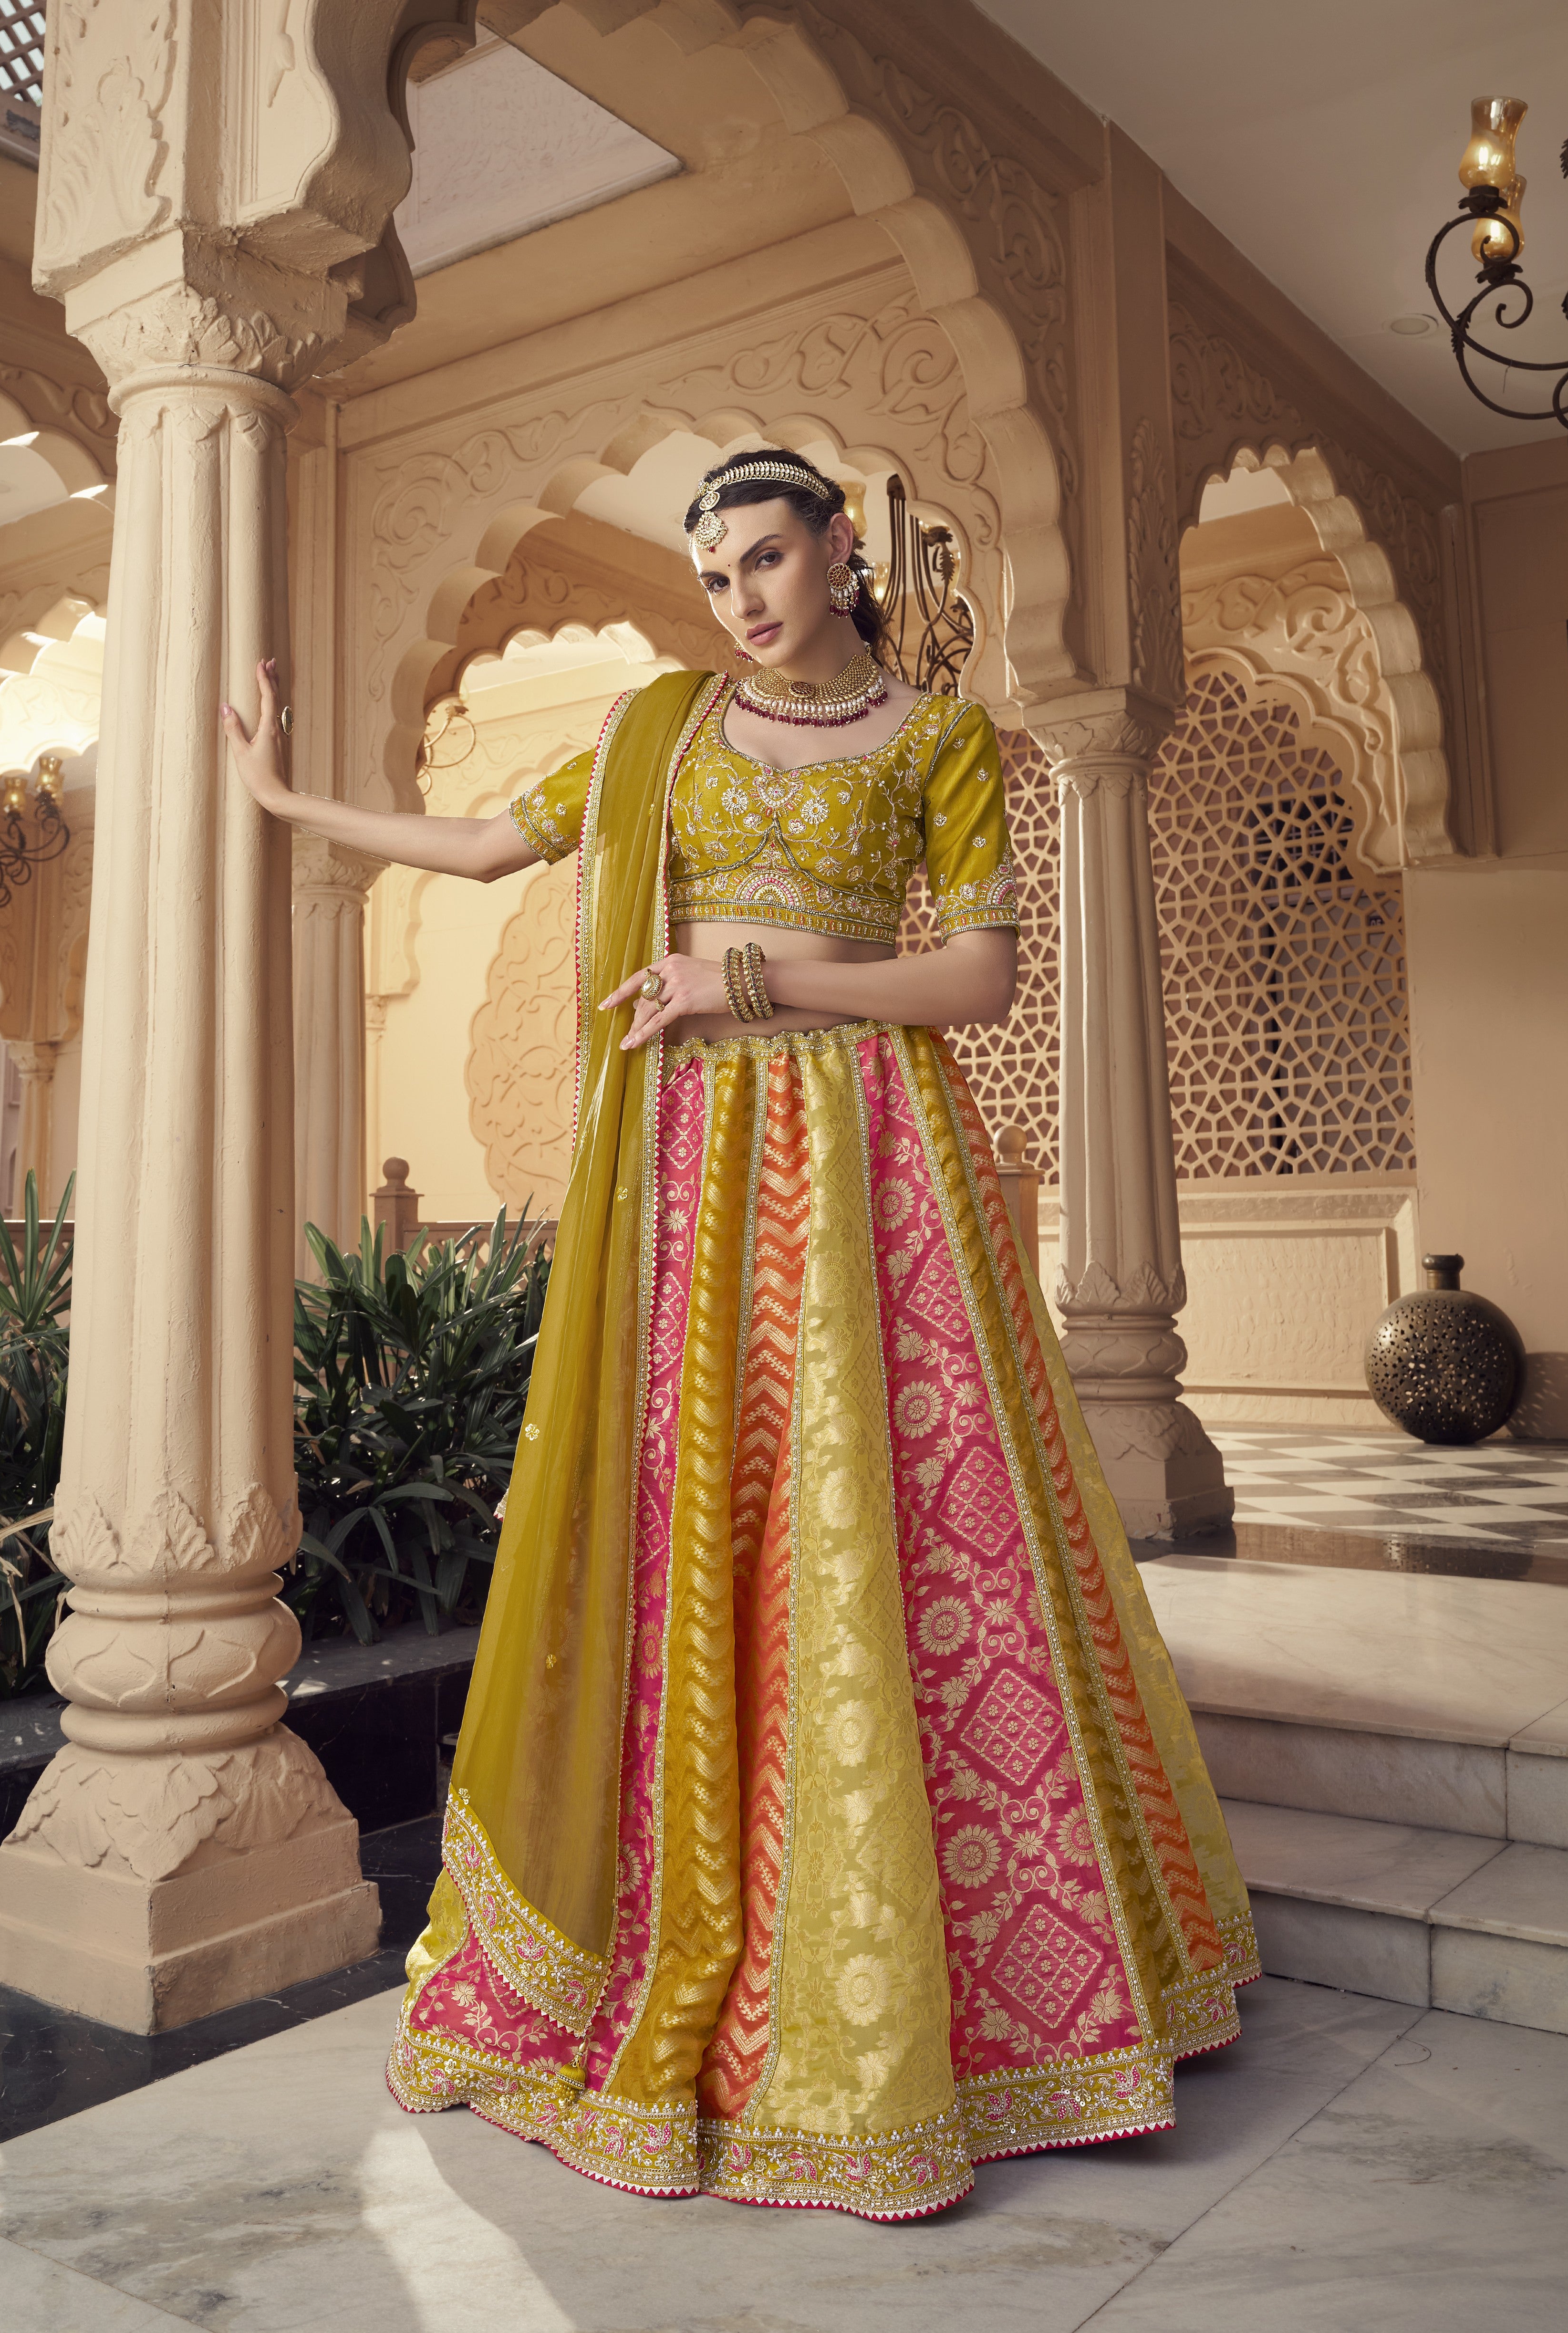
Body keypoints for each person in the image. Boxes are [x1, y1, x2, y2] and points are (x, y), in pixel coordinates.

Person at [223, 447, 1258, 2222]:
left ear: (840, 542)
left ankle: (988, 1998)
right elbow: (484, 841)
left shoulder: (934, 735)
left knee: (917, 1538)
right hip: (694, 1184)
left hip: (875, 1164)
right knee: (711, 1544)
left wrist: (749, 978)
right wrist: (288, 802)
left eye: (769, 557)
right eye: (715, 577)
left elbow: (978, 979)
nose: (745, 599)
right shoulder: (665, 733)